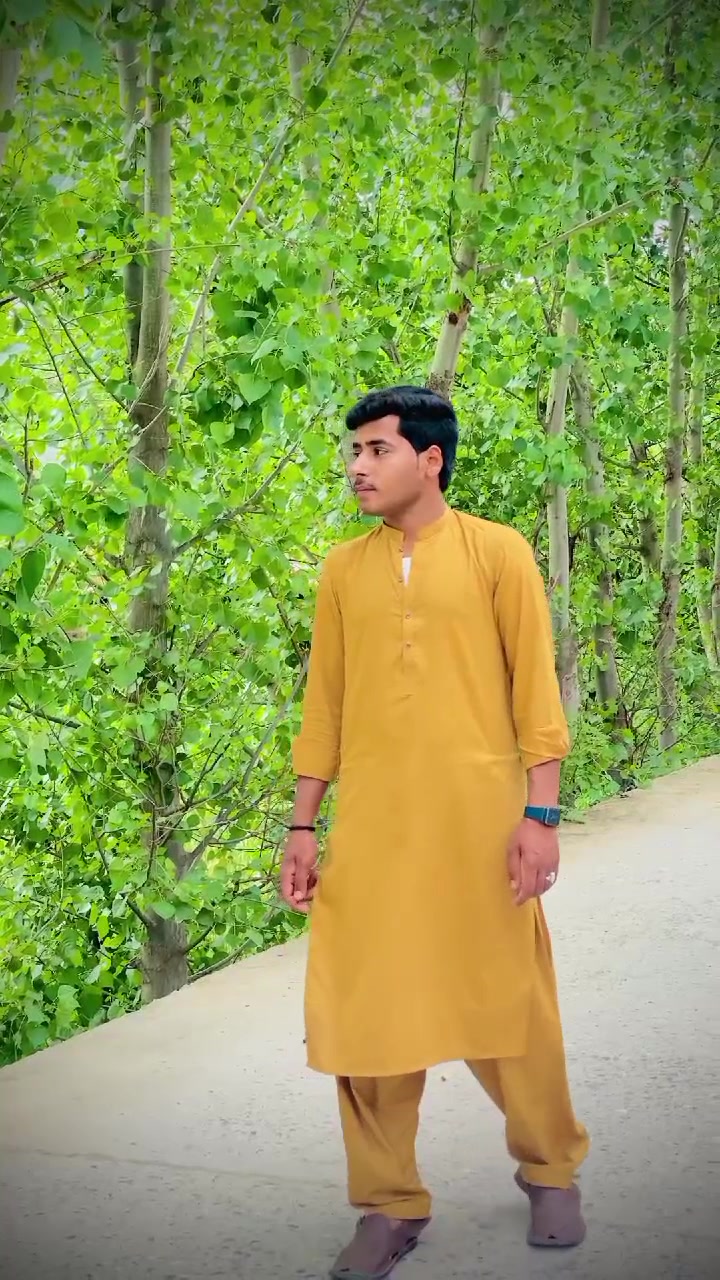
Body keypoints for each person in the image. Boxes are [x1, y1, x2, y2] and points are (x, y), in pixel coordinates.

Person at [281, 385, 589, 1280]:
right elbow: (324, 706)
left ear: (431, 459)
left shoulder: (498, 552)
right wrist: (303, 822)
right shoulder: (344, 569)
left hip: (480, 822)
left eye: (376, 450)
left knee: (509, 1004)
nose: (357, 467)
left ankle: (551, 1168)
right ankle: (389, 1203)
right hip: (374, 830)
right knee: (369, 1015)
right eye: (353, 451)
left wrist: (540, 815)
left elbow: (535, 690)